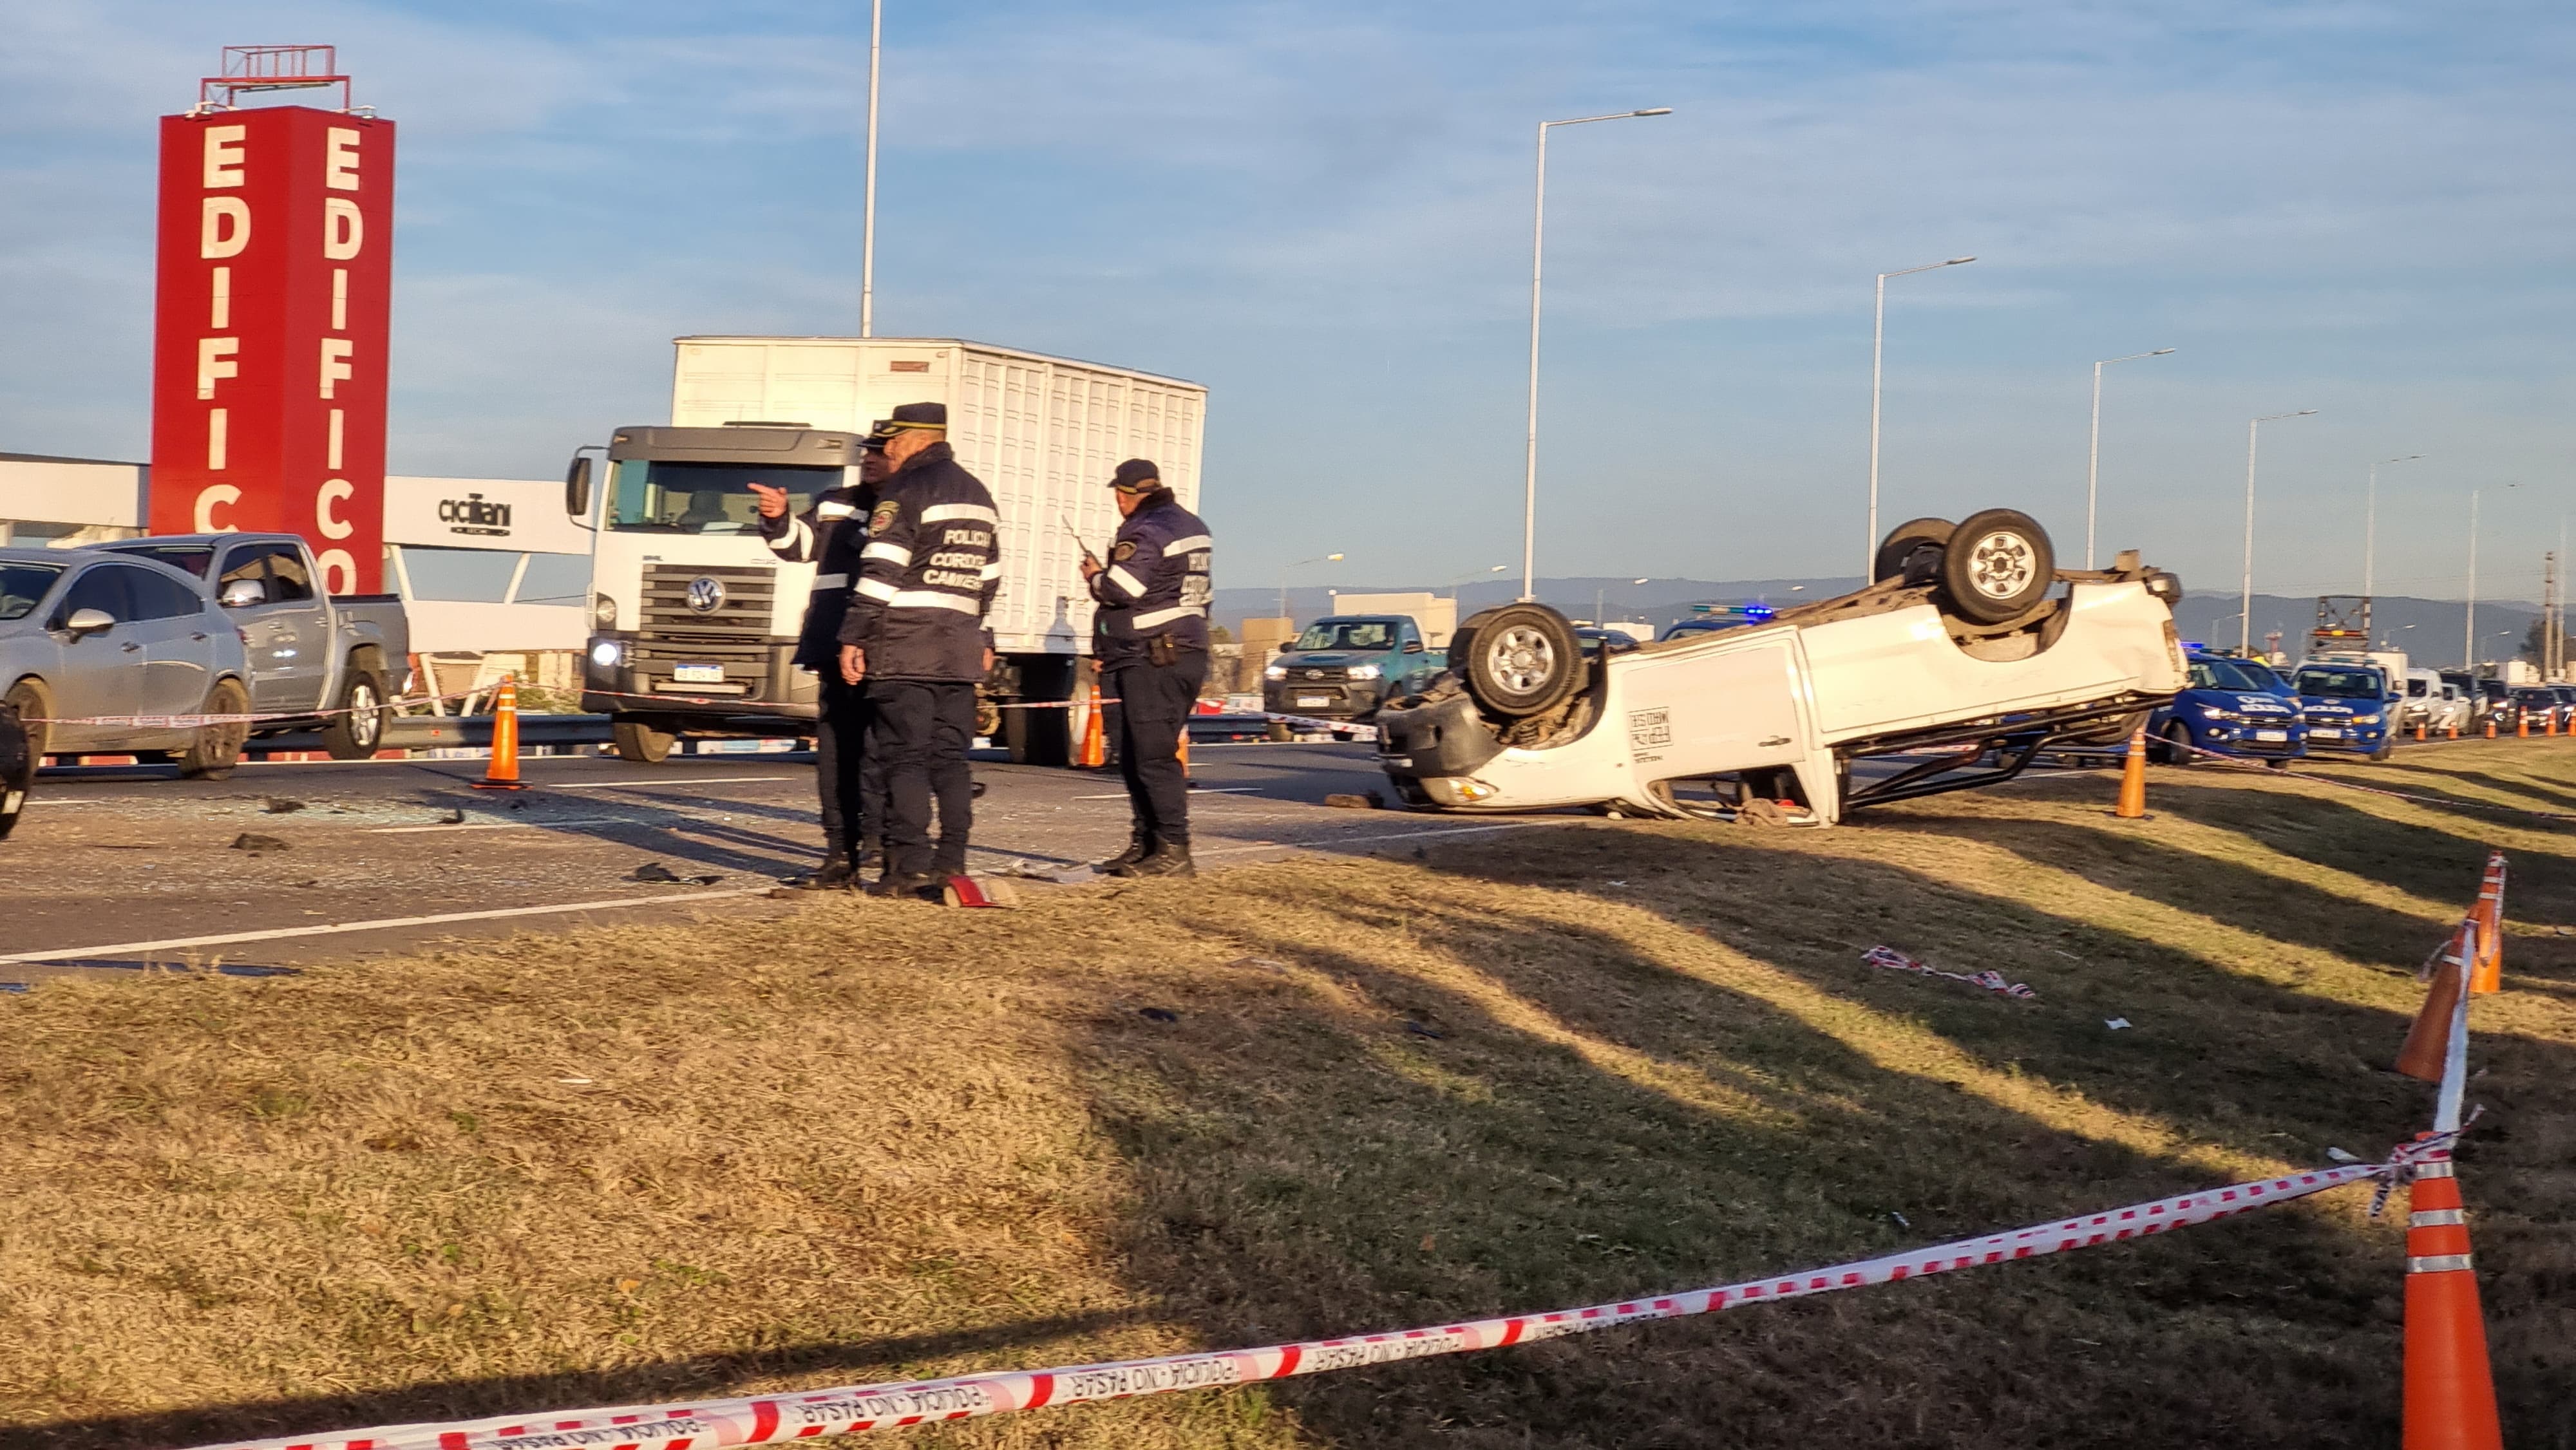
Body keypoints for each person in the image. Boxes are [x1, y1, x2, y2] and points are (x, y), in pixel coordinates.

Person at [837, 402, 1001, 899]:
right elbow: (988, 579)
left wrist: (854, 633)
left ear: (920, 438)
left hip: (906, 646)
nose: (888, 448)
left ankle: (908, 867)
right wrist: (974, 630)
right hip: (958, 650)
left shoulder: (905, 492)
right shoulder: (979, 495)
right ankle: (951, 863)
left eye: (896, 439)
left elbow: (882, 569)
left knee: (903, 760)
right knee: (950, 759)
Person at [752, 423, 893, 889]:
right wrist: (777, 518)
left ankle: (880, 842)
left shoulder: (911, 504)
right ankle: (839, 852)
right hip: (835, 643)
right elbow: (798, 546)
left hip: (890, 645)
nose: (871, 459)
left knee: (881, 752)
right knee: (835, 755)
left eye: (881, 451)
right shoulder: (836, 501)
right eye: (867, 451)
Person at [1080, 458, 1213, 877]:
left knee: (1151, 756)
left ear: (1126, 494)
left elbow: (1123, 589)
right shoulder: (1192, 525)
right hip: (1174, 652)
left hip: (1152, 656)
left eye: (1118, 496)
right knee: (1137, 754)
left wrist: (1096, 576)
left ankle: (1173, 850)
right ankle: (1146, 845)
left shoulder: (1147, 529)